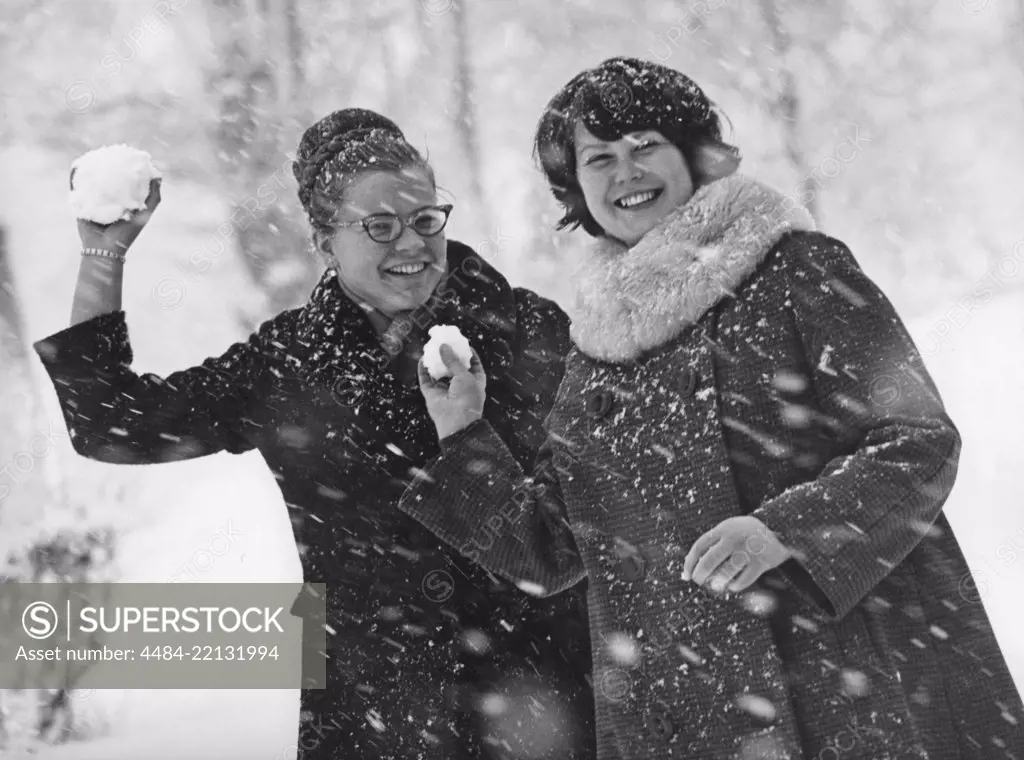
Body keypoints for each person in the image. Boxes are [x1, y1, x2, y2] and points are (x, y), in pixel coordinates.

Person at [398, 58, 1024, 759]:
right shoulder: (596, 346)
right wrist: (462, 431)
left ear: (695, 156)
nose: (625, 173)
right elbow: (551, 550)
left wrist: (785, 530)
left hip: (850, 685)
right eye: (599, 158)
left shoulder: (796, 270)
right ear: (576, 191)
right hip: (684, 718)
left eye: (645, 146)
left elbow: (916, 442)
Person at [33, 109, 595, 760]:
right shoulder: (290, 364)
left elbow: (604, 508)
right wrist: (104, 251)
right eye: (379, 228)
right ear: (324, 242)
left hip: (538, 707)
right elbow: (110, 423)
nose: (410, 244)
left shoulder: (527, 330)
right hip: (372, 715)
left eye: (425, 220)